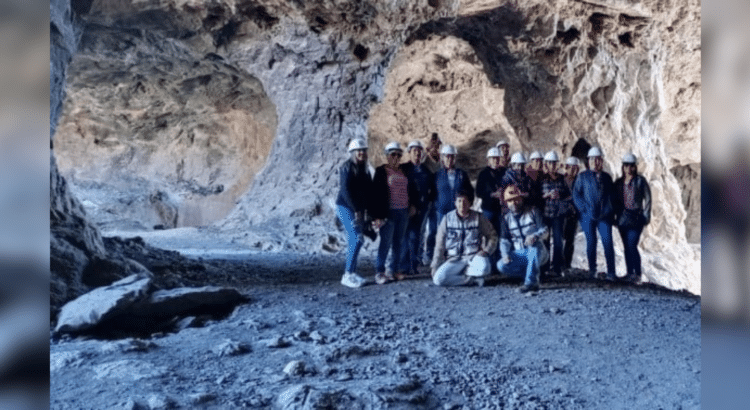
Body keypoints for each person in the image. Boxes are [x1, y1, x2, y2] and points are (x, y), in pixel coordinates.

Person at [431, 188, 497, 287]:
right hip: (454, 259)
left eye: (465, 201)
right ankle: (471, 280)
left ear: (470, 203)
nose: (462, 204)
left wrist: (486, 251)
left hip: (473, 257)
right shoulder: (447, 219)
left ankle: (463, 275)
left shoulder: (478, 217)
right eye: (459, 201)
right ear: (455, 203)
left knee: (485, 268)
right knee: (438, 279)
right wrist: (435, 265)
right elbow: (439, 244)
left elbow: (492, 236)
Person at [572, 146, 616, 280]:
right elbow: (576, 194)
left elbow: (612, 196)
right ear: (588, 161)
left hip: (604, 216)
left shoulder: (607, 177)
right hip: (587, 216)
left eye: (598, 160)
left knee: (608, 242)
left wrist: (609, 210)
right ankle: (593, 270)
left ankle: (611, 272)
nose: (596, 162)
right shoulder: (582, 177)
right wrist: (584, 208)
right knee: (591, 242)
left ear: (602, 161)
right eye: (593, 159)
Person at [371, 141, 412, 284]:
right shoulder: (381, 171)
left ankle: (394, 270)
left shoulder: (404, 170)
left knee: (398, 243)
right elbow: (375, 195)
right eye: (393, 154)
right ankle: (380, 272)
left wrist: (412, 205)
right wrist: (376, 216)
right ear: (387, 156)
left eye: (398, 154)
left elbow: (410, 189)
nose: (396, 157)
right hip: (388, 213)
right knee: (385, 243)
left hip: (403, 211)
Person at [335, 138, 373, 288]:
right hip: (346, 207)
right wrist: (356, 210)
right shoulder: (347, 167)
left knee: (355, 239)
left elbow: (368, 191)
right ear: (352, 153)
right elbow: (345, 191)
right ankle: (347, 274)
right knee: (357, 238)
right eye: (359, 151)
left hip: (357, 209)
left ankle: (351, 273)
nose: (362, 153)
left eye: (364, 150)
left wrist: (368, 213)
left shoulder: (364, 169)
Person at [497, 185, 549, 293]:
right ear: (506, 203)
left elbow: (545, 230)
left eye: (516, 199)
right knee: (501, 265)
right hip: (521, 253)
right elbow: (504, 241)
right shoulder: (506, 218)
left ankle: (531, 283)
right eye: (510, 200)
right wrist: (505, 255)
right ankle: (531, 273)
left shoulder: (533, 211)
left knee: (534, 247)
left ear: (521, 199)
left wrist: (535, 236)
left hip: (538, 252)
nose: (514, 203)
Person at [399, 140, 436, 279]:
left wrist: (428, 203)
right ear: (409, 152)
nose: (417, 153)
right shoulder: (403, 169)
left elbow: (432, 190)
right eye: (414, 151)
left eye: (419, 151)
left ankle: (413, 265)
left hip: (421, 209)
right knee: (404, 236)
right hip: (405, 208)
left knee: (416, 236)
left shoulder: (426, 171)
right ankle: (403, 266)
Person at [612, 152, 651, 283]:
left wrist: (646, 215)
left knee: (632, 245)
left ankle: (638, 274)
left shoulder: (640, 181)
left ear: (635, 167)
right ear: (623, 167)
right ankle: (630, 273)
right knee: (626, 246)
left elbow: (648, 198)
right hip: (623, 218)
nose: (629, 168)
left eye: (631, 166)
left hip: (636, 217)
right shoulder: (618, 183)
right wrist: (615, 217)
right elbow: (614, 201)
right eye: (626, 165)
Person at [540, 151, 571, 276]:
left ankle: (557, 267)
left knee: (558, 241)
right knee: (545, 241)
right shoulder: (541, 178)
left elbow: (568, 194)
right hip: (546, 214)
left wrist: (560, 195)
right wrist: (546, 195)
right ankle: (545, 267)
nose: (552, 165)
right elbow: (536, 196)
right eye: (550, 163)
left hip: (558, 215)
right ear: (546, 164)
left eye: (554, 163)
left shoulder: (562, 178)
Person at [476, 147, 506, 267]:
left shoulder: (504, 172)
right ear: (488, 160)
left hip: (501, 210)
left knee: (500, 235)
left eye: (497, 158)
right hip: (488, 209)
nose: (495, 160)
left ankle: (497, 263)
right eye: (493, 158)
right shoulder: (483, 174)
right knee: (488, 235)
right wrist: (491, 195)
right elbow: (478, 192)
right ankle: (486, 262)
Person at [434, 144, 474, 226]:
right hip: (442, 212)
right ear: (443, 158)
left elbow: (470, 191)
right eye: (447, 156)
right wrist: (437, 206)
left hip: (458, 211)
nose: (449, 159)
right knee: (443, 236)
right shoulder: (437, 175)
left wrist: (468, 204)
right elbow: (432, 193)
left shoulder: (461, 174)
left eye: (452, 157)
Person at [422, 133, 442, 266]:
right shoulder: (424, 163)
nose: (435, 148)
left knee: (435, 229)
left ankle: (432, 253)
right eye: (432, 145)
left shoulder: (441, 163)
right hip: (425, 201)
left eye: (437, 145)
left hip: (437, 201)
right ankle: (423, 254)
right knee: (422, 229)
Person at [562, 156, 581, 272]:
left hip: (573, 214)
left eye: (576, 168)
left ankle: (567, 264)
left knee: (570, 240)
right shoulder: (560, 180)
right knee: (559, 239)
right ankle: (557, 263)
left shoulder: (580, 181)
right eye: (571, 168)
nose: (574, 170)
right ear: (566, 168)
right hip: (561, 213)